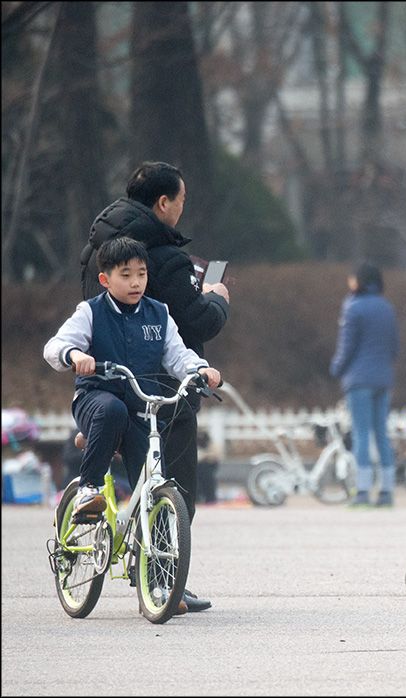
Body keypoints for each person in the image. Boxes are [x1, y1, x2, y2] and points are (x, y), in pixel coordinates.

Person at [80, 161, 229, 613]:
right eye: (181, 202)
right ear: (163, 202)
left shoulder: (100, 245)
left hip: (110, 381)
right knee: (173, 488)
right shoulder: (163, 257)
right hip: (162, 389)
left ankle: (100, 437)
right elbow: (192, 320)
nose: (182, 211)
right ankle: (165, 583)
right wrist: (217, 299)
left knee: (147, 482)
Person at [43, 237, 221, 529]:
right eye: (125, 275)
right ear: (105, 279)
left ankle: (154, 556)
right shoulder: (90, 312)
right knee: (113, 410)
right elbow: (54, 347)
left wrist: (201, 370)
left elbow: (178, 355)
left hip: (141, 405)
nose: (135, 282)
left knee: (152, 478)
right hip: (97, 399)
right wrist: (74, 354)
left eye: (141, 273)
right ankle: (88, 490)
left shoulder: (159, 314)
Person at [330, 262, 400, 507]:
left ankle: (362, 491)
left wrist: (336, 369)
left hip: (359, 380)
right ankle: (387, 491)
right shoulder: (387, 308)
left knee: (360, 435)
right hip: (383, 378)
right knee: (381, 434)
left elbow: (346, 347)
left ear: (358, 281)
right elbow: (394, 347)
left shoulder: (353, 307)